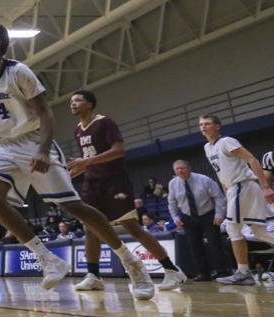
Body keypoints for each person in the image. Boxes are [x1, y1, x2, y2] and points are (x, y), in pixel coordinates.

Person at [0, 22, 154, 299]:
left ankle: (131, 262)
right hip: (0, 146)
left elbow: (46, 114)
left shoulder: (19, 72)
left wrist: (42, 150)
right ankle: (47, 259)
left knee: (75, 207)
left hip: (32, 141)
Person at [67, 89, 186, 291]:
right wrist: (80, 168)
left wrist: (86, 162)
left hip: (114, 182)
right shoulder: (78, 130)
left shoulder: (105, 122)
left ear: (89, 104)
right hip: (92, 184)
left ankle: (172, 270)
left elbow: (118, 150)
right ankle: (94, 275)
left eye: (77, 100)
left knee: (131, 226)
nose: (73, 103)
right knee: (90, 229)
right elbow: (90, 159)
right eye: (71, 101)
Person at [198, 114, 274, 285]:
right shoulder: (207, 148)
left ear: (217, 126)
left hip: (243, 185)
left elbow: (252, 160)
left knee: (233, 229)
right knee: (258, 232)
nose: (203, 127)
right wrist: (226, 193)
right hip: (233, 189)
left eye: (207, 123)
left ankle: (243, 272)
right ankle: (243, 272)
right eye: (201, 124)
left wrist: (266, 187)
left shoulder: (227, 141)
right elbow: (221, 173)